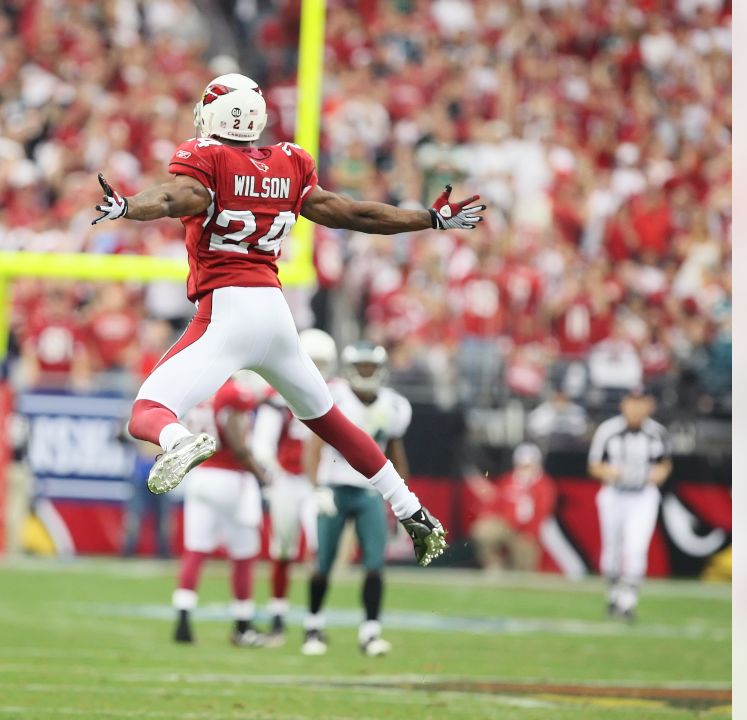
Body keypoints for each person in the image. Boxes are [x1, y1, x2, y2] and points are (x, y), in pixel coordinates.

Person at [92, 73, 484, 566]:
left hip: (227, 310)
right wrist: (429, 218)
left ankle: (179, 441)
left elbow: (175, 198)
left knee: (147, 413)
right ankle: (410, 508)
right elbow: (353, 214)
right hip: (276, 314)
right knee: (331, 422)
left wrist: (129, 207)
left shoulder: (205, 158)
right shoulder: (290, 162)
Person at [300, 342, 412, 657]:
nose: (366, 373)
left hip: (370, 492)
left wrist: (404, 503)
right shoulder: (335, 396)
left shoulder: (394, 405)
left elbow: (396, 454)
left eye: (370, 367)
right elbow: (314, 447)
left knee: (375, 562)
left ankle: (371, 632)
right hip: (334, 488)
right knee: (323, 562)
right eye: (361, 367)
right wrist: (316, 487)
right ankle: (313, 626)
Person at [171, 373, 271, 647]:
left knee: (195, 550)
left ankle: (182, 618)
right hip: (229, 476)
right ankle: (242, 625)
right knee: (243, 553)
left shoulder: (198, 389)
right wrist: (261, 476)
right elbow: (237, 443)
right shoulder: (233, 393)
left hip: (200, 475)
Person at [251, 328, 334, 645]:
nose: (318, 369)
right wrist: (273, 478)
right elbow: (263, 444)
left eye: (323, 362)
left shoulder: (335, 394)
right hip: (287, 479)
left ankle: (314, 622)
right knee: (282, 550)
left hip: (317, 483)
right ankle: (277, 617)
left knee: (319, 551)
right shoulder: (280, 396)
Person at [587, 386, 672, 622]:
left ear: (649, 405)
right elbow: (594, 465)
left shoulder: (657, 432)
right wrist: (610, 472)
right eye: (632, 402)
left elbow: (665, 463)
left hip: (643, 494)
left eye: (641, 402)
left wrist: (660, 474)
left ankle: (628, 601)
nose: (636, 407)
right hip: (614, 493)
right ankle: (613, 594)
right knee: (611, 550)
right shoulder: (608, 430)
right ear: (624, 404)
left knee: (635, 548)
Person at [468, 443, 557, 573]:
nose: (525, 469)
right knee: (483, 530)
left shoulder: (544, 485)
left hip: (527, 533)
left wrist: (530, 534)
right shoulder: (508, 480)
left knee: (524, 570)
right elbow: (494, 504)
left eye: (529, 465)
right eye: (522, 464)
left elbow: (542, 514)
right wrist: (486, 514)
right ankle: (494, 566)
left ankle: (512, 572)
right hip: (506, 526)